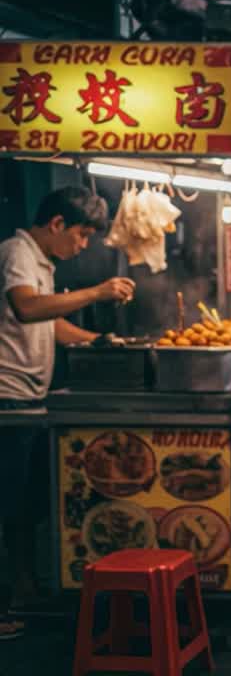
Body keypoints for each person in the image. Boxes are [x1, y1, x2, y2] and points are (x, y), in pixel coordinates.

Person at [1, 185, 133, 640]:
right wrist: (96, 292)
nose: (82, 245)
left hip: (30, 398)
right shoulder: (17, 253)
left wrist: (97, 341)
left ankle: (23, 591)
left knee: (24, 507)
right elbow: (27, 307)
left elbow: (50, 321)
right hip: (7, 398)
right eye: (81, 235)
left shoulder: (40, 262)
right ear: (57, 224)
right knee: (7, 506)